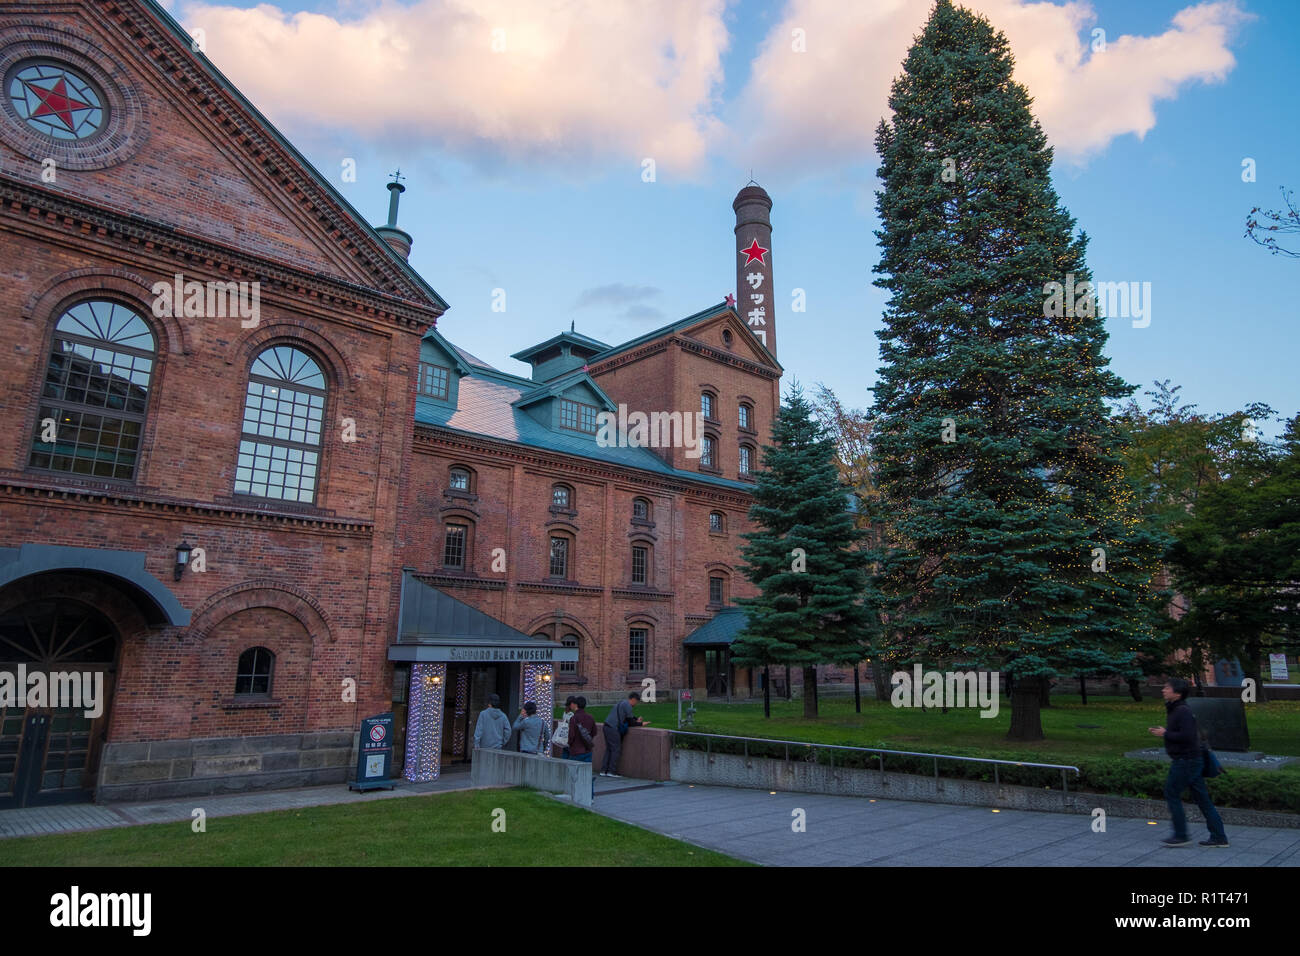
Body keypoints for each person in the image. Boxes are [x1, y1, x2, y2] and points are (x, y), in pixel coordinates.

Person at [1149, 678, 1229, 848]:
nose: (1163, 690)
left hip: (1187, 761)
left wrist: (1165, 733)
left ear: (1177, 693)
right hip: (1191, 760)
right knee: (1203, 799)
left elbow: (1187, 736)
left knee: (1171, 793)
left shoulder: (1182, 711)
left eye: (1167, 688)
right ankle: (1219, 837)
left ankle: (1181, 835)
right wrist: (1165, 732)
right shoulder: (1175, 709)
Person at [601, 691, 649, 778]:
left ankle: (603, 770)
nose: (636, 704)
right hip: (613, 728)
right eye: (636, 702)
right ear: (633, 699)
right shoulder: (628, 706)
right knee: (616, 749)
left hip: (606, 726)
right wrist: (641, 724)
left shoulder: (622, 702)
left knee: (609, 749)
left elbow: (628, 717)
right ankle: (611, 771)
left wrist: (636, 718)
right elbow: (630, 722)